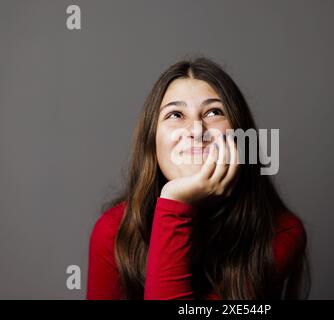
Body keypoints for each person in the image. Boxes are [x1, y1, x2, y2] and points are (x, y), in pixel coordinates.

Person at [86, 57, 309, 300]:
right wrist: (175, 202)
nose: (196, 130)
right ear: (153, 140)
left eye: (214, 112)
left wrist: (174, 203)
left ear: (240, 135)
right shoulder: (114, 233)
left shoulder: (280, 233)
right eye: (175, 115)